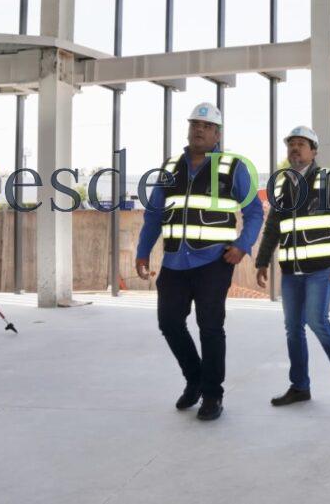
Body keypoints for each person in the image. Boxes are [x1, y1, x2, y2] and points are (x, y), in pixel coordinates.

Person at [135, 102, 264, 422]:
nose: (199, 130)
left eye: (206, 126)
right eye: (195, 124)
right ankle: (194, 380)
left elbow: (253, 212)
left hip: (213, 262)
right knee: (169, 323)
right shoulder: (170, 167)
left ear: (217, 134)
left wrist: (242, 246)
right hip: (174, 262)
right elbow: (154, 214)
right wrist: (143, 251)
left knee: (210, 327)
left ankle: (212, 394)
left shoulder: (232, 167)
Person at [255, 126, 330, 406]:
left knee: (317, 320)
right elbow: (272, 227)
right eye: (291, 144)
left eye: (301, 144)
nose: (294, 148)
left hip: (321, 269)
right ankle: (300, 386)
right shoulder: (284, 186)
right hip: (292, 271)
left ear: (313, 151)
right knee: (293, 328)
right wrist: (262, 260)